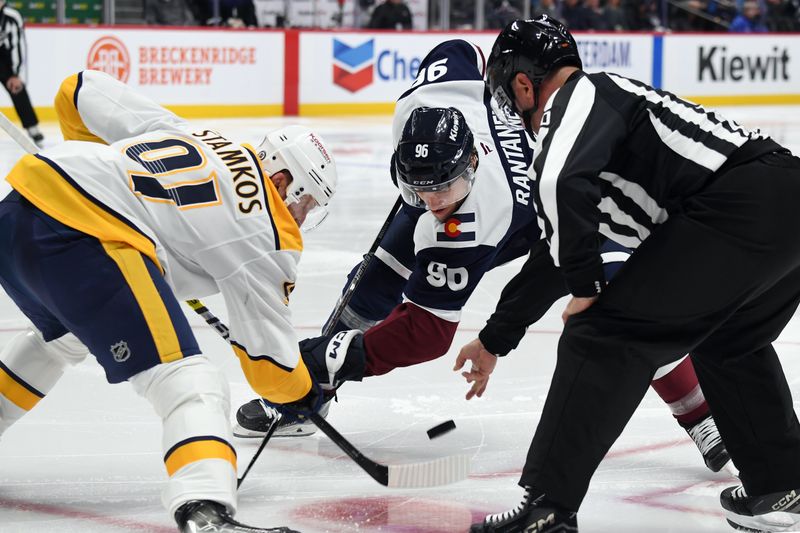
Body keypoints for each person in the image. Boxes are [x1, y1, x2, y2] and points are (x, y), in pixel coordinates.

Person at [233, 38, 730, 476]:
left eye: (443, 189)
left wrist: (335, 356)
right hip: (485, 180)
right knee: (373, 281)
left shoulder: (470, 223)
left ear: (470, 164)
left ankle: (702, 417)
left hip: (546, 212)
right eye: (417, 186)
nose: (432, 202)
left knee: (623, 305)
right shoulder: (427, 108)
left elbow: (427, 332)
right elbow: (462, 51)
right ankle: (303, 391)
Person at [473, 15, 800, 532]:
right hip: (782, 203)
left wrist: (588, 288)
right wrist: (495, 338)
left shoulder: (581, 95)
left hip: (738, 204)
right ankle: (781, 484)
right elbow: (554, 254)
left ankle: (548, 508)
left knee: (601, 336)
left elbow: (560, 184)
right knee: (729, 341)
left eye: (509, 94)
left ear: (523, 83)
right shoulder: (604, 125)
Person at [0, 70, 337, 533]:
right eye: (308, 203)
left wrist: (93, 169)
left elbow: (76, 90)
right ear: (284, 181)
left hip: (18, 212)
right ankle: (206, 508)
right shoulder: (271, 232)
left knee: (60, 344)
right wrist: (304, 394)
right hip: (85, 237)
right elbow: (271, 368)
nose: (303, 216)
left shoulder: (195, 133)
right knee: (188, 378)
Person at [0, 0, 43, 147]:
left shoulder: (12, 17)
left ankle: (33, 128)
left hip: (4, 61)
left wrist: (16, 74)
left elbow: (19, 46)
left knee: (17, 88)